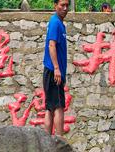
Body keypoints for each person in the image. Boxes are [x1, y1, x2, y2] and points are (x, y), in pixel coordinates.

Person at [43, 0, 69, 136]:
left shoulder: (59, 24)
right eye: (62, 5)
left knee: (50, 107)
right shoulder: (55, 22)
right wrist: (57, 68)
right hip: (53, 71)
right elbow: (51, 45)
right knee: (58, 107)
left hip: (54, 71)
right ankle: (60, 141)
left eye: (67, 5)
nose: (65, 8)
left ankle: (47, 141)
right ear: (55, 6)